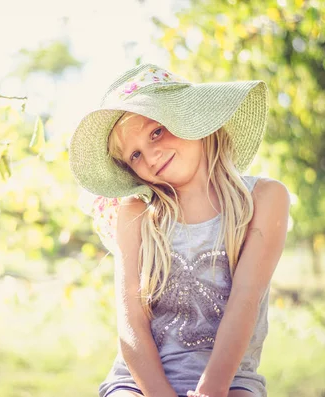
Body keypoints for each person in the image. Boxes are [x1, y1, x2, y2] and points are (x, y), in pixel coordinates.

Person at [68, 64, 290, 397]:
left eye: (156, 132)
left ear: (190, 119)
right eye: (135, 155)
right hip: (139, 381)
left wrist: (211, 388)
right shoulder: (137, 215)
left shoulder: (263, 199)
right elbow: (131, 327)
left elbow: (245, 298)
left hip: (230, 379)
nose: (151, 155)